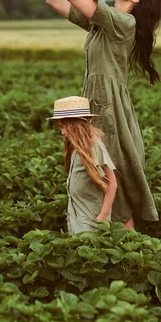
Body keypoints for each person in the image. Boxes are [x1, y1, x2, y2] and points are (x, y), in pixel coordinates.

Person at [46, 0, 161, 229]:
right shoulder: (102, 23)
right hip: (97, 104)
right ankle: (117, 248)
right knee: (102, 172)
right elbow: (56, 0)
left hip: (107, 108)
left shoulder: (122, 22)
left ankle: (126, 249)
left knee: (113, 174)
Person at [48, 95, 117, 234]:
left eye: (63, 127)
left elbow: (112, 183)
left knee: (88, 250)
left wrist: (103, 215)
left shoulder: (94, 147)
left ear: (75, 125)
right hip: (76, 214)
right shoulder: (76, 147)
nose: (62, 132)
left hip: (91, 218)